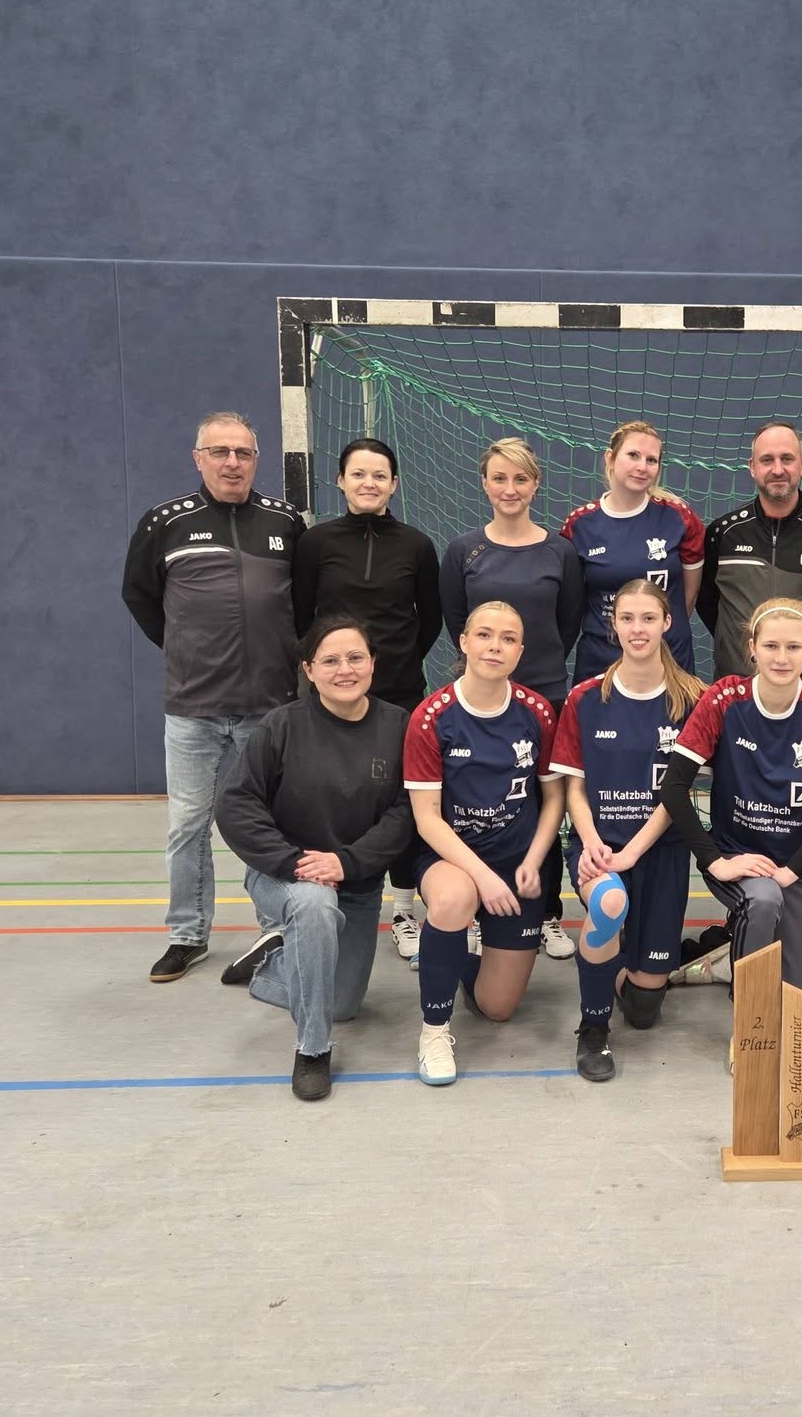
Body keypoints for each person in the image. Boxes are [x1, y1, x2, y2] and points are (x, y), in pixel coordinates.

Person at [121, 411, 305, 984]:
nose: (232, 462)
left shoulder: (285, 522)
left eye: (243, 453)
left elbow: (305, 604)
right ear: (198, 458)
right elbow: (140, 597)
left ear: (256, 460)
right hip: (193, 708)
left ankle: (274, 930)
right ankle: (187, 934)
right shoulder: (165, 522)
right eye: (219, 452)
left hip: (271, 706)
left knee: (271, 823)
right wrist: (187, 648)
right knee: (188, 824)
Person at [213, 617, 413, 1100]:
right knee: (313, 905)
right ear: (309, 669)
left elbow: (407, 811)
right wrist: (293, 863)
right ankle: (313, 1050)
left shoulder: (399, 726)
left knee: (342, 1004)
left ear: (373, 663)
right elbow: (236, 804)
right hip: (286, 874)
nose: (345, 670)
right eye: (331, 660)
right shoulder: (281, 726)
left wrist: (348, 862)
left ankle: (273, 961)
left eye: (355, 658)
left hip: (357, 881)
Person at [402, 601, 564, 1086]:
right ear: (464, 642)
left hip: (516, 864)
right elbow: (427, 818)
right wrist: (483, 878)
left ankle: (452, 954)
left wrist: (533, 860)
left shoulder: (537, 711)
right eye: (485, 635)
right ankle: (434, 1032)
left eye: (508, 638)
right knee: (455, 898)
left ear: (520, 651)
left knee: (498, 1008)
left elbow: (553, 798)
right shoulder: (432, 717)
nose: (496, 646)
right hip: (452, 858)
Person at [549, 579, 705, 1080]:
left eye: (648, 618)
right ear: (612, 625)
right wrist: (592, 840)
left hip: (661, 850)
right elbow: (574, 788)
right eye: (627, 618)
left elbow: (678, 793)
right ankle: (593, 1029)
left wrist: (634, 850)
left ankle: (622, 967)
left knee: (643, 1009)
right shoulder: (585, 698)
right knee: (608, 903)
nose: (638, 629)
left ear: (667, 623)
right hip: (600, 847)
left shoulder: (693, 699)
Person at [437, 438, 585, 962]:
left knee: (544, 805)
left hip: (545, 695)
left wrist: (532, 675)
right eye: (499, 478)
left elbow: (566, 624)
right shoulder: (464, 551)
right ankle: (478, 912)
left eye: (520, 479)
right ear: (484, 483)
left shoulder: (560, 552)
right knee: (480, 804)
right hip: (481, 702)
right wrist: (490, 671)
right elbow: (458, 623)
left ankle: (545, 913)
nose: (510, 489)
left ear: (535, 485)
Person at [662, 598, 802, 1001]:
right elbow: (674, 787)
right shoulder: (724, 699)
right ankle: (747, 1015)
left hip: (798, 861)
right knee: (763, 903)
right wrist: (716, 860)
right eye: (770, 646)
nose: (781, 658)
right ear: (752, 647)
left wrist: (792, 871)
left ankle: (727, 956)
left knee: (797, 998)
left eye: (793, 647)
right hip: (738, 855)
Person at [291, 438, 442, 711]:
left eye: (379, 476)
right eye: (358, 474)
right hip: (334, 693)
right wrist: (330, 662)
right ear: (341, 480)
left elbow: (431, 620)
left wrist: (402, 660)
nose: (369, 484)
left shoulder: (417, 545)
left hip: (401, 694)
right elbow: (302, 616)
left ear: (393, 484)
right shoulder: (315, 542)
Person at [696, 420, 802, 686]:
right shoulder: (723, 534)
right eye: (767, 460)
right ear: (752, 467)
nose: (778, 470)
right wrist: (737, 649)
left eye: (787, 459)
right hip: (736, 691)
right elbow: (709, 605)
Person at [563, 420, 705, 680]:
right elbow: (571, 602)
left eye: (651, 460)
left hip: (669, 659)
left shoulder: (679, 518)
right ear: (610, 458)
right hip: (602, 660)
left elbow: (688, 596)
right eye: (633, 455)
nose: (642, 467)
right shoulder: (580, 525)